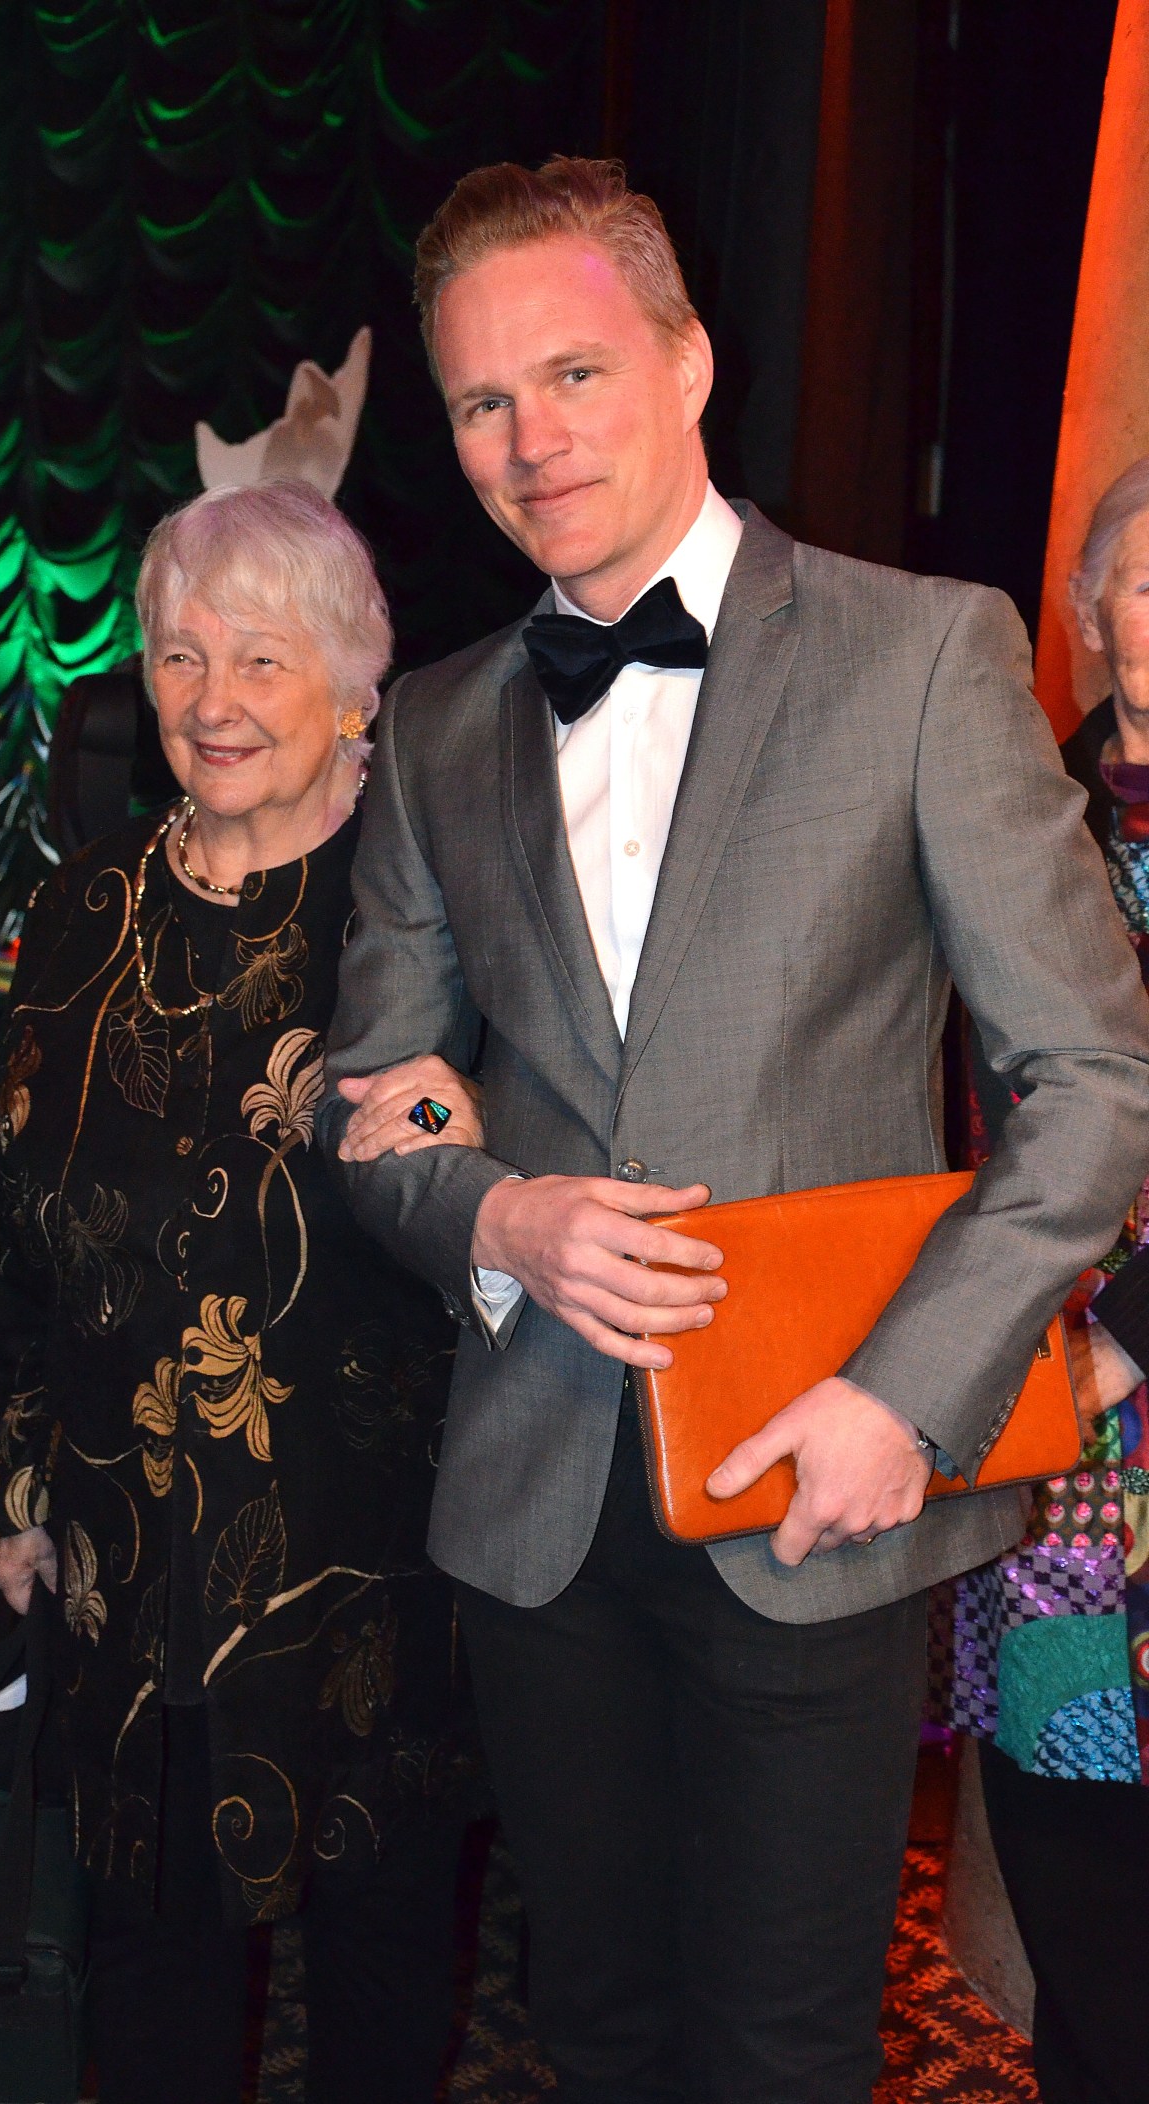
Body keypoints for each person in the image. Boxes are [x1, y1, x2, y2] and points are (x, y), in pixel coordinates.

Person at [320, 157, 1149, 2104]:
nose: (531, 439)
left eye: (575, 373)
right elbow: (377, 1101)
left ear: (690, 362)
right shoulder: (433, 727)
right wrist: (495, 1218)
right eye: (482, 400)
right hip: (538, 1507)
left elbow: (1097, 1077)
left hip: (826, 1481)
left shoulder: (920, 651)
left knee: (780, 2052)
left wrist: (908, 1402)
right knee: (593, 2031)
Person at [0, 479, 482, 2104]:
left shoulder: (431, 918)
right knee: (148, 1976)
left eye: (262, 659)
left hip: (377, 1561)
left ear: (353, 691)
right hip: (129, 1560)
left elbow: (505, 1202)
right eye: (181, 656)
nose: (213, 699)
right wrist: (16, 1484)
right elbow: (26, 1241)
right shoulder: (81, 909)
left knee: (383, 1976)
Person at [951, 456, 1149, 2104]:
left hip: (1117, 1364)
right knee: (1073, 1852)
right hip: (1050, 1417)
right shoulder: (1017, 821)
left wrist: (1130, 1341)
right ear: (1090, 613)